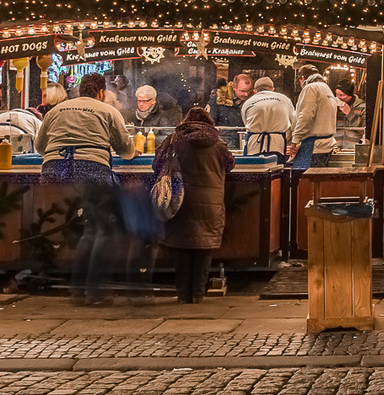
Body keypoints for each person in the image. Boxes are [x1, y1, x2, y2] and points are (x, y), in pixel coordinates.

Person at [35, 73, 136, 304]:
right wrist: (132, 153)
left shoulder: (55, 110)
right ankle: (95, 291)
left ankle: (77, 288)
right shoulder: (108, 111)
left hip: (54, 171)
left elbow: (40, 146)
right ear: (101, 92)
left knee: (81, 230)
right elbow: (125, 149)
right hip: (90, 169)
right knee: (101, 229)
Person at [155, 106, 234, 303]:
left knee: (182, 247)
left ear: (186, 122)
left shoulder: (173, 141)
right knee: (204, 248)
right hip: (211, 202)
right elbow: (230, 164)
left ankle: (183, 295)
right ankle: (198, 295)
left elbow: (157, 164)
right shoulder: (218, 144)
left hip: (180, 200)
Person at [288, 67, 339, 168]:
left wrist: (295, 140)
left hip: (312, 146)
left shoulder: (310, 88)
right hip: (326, 145)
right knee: (317, 182)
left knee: (305, 181)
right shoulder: (326, 87)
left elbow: (305, 117)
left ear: (302, 78)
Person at [241, 77, 295, 157]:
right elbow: (293, 121)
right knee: (277, 168)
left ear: (255, 91)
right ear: (272, 89)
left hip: (254, 144)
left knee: (253, 168)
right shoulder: (284, 99)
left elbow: (246, 123)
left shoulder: (248, 102)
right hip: (277, 145)